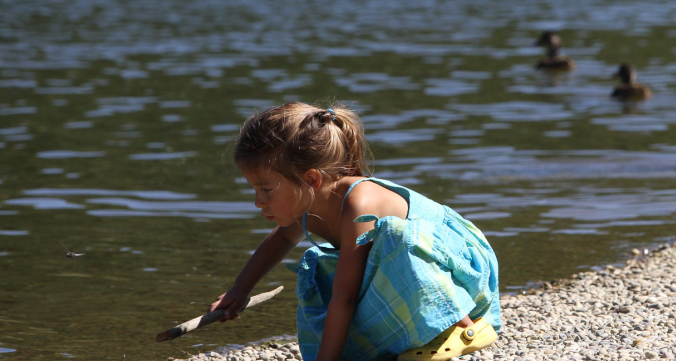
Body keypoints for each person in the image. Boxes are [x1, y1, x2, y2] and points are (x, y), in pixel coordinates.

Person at [209, 103, 500, 361]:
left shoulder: (359, 203)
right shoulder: (308, 200)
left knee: (397, 237)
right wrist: (239, 289)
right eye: (254, 189)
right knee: (316, 268)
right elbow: (283, 237)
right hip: (418, 277)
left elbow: (345, 297)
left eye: (266, 189)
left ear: (311, 179)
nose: (258, 201)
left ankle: (462, 327)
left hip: (461, 272)